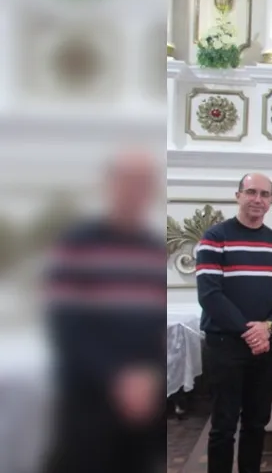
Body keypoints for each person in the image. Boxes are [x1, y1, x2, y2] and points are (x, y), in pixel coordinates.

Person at [43, 150, 165, 473]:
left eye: (143, 183)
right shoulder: (77, 242)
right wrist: (116, 377)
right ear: (109, 184)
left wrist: (150, 376)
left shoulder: (153, 249)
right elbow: (65, 323)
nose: (134, 190)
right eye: (127, 180)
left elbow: (157, 325)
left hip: (144, 394)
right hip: (91, 395)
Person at [196, 173, 272, 473]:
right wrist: (249, 331)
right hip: (226, 346)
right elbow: (210, 295)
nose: (258, 199)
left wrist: (268, 329)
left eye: (265, 194)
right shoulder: (215, 238)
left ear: (271, 200)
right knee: (223, 425)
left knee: (257, 423)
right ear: (237, 195)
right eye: (251, 192)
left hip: (264, 346)